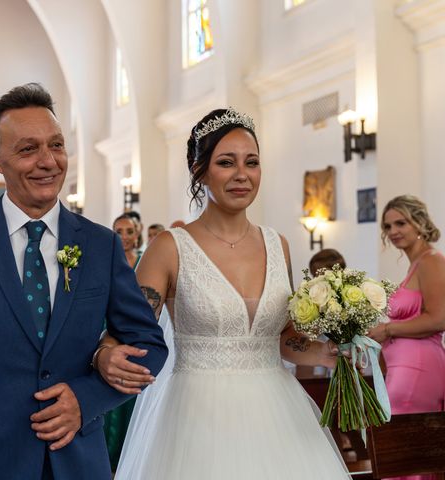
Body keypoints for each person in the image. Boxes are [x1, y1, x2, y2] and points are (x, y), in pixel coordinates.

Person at [0, 83, 168, 480]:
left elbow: (148, 344)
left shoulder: (100, 244)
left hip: (79, 462)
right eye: (28, 149)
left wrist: (87, 398)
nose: (48, 161)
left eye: (56, 146)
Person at [95, 107, 350, 479]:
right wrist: (105, 353)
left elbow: (283, 338)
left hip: (276, 411)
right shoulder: (169, 247)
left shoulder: (277, 244)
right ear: (199, 171)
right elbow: (129, 328)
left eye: (252, 162)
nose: (242, 175)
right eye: (226, 163)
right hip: (195, 415)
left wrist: (328, 353)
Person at [368, 195, 445, 480]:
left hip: (419, 370)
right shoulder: (416, 264)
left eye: (401, 223)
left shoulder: (431, 261)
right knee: (401, 451)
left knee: (403, 452)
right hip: (405, 368)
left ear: (419, 223)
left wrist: (387, 330)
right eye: (388, 226)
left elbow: (439, 318)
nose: (394, 231)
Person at [103, 214, 143, 471]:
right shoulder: (107, 260)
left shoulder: (145, 260)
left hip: (139, 329)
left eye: (129, 231)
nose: (125, 237)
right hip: (110, 328)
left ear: (136, 234)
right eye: (119, 231)